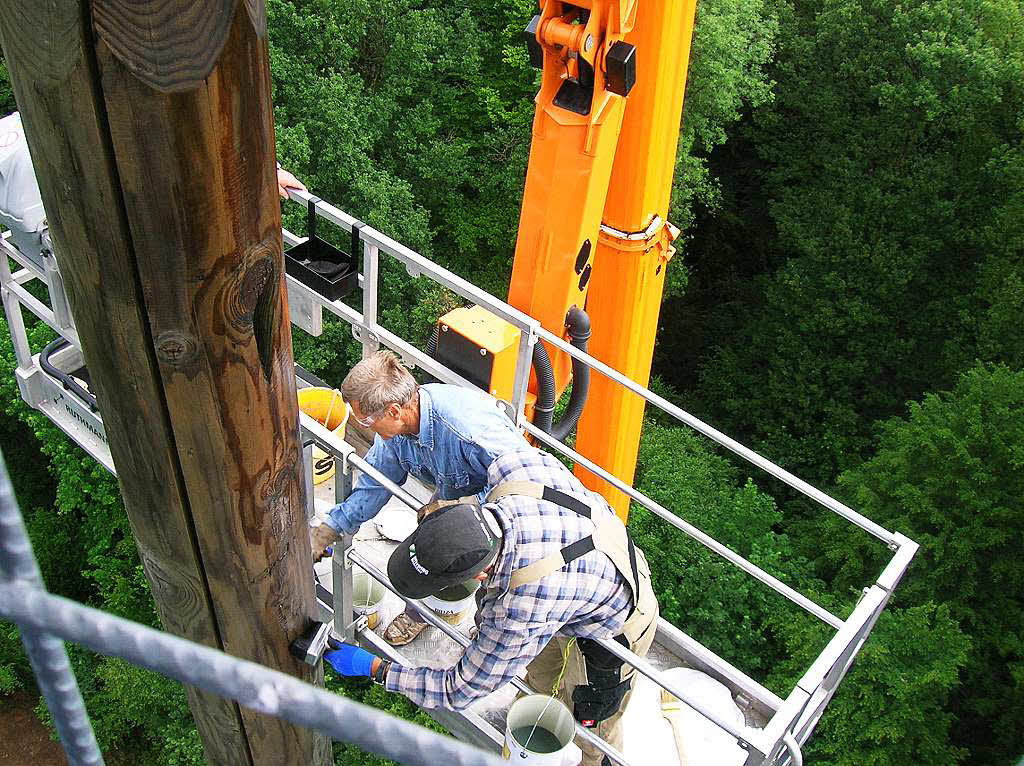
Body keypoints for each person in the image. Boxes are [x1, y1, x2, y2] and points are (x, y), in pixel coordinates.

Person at [322, 448, 659, 766]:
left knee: (591, 720)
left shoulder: (519, 608)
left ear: (479, 575)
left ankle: (597, 759)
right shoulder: (514, 470)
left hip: (615, 621)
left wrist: (378, 669)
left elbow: (459, 689)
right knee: (540, 678)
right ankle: (534, 714)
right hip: (573, 589)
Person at [309, 350, 530, 642]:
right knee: (434, 551)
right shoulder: (399, 431)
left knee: (496, 586)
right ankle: (422, 612)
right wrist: (329, 530)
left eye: (363, 422)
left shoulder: (469, 432)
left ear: (392, 411)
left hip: (506, 515)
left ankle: (487, 631)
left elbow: (524, 487)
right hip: (455, 492)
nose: (364, 428)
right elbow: (376, 482)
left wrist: (464, 508)